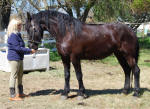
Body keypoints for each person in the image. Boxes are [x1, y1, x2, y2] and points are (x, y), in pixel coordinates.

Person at [7, 18, 36, 101]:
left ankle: (20, 93)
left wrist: (29, 49)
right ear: (14, 26)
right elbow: (18, 48)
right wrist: (29, 51)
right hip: (14, 58)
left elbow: (21, 47)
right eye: (19, 25)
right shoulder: (13, 35)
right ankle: (12, 95)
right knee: (14, 75)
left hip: (19, 57)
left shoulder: (18, 35)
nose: (20, 26)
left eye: (20, 25)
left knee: (20, 75)